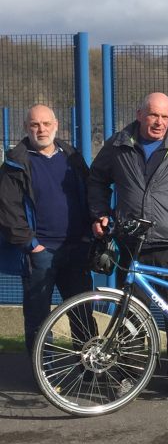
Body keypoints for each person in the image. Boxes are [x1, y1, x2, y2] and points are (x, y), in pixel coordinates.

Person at [88, 92, 168, 398]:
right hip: (132, 242)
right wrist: (99, 212)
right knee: (128, 313)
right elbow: (96, 180)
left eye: (165, 117)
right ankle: (127, 370)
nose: (159, 122)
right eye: (154, 115)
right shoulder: (118, 145)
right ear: (140, 113)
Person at [0, 104, 92, 356]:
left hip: (76, 249)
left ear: (56, 125)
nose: (41, 129)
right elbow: (8, 210)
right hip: (40, 253)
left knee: (83, 314)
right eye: (35, 125)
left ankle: (90, 369)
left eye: (46, 124)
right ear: (26, 128)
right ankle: (44, 371)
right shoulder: (15, 164)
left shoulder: (72, 157)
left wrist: (87, 235)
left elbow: (89, 195)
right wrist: (32, 245)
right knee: (38, 317)